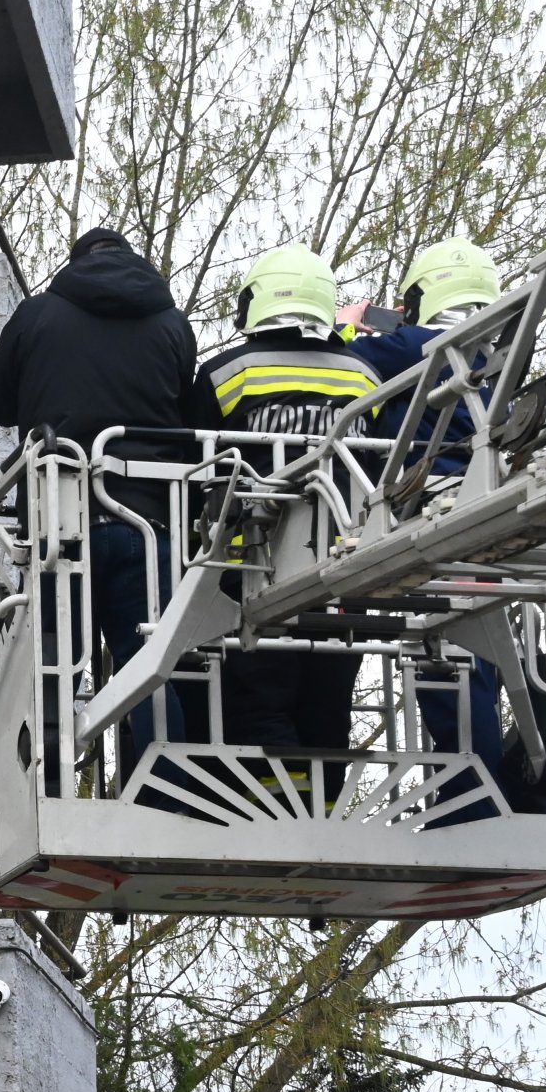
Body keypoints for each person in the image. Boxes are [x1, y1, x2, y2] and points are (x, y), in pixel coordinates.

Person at [0, 227, 200, 780]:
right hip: (149, 523)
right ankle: (168, 796)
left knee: (53, 669)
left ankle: (50, 791)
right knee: (148, 668)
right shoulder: (173, 325)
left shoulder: (39, 314)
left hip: (62, 523)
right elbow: (185, 408)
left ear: (74, 263)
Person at [187, 244, 382, 805]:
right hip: (343, 564)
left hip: (252, 563)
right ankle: (320, 806)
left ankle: (275, 809)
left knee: (256, 695)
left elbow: (194, 471)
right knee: (328, 696)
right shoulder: (362, 376)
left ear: (257, 302)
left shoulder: (228, 374)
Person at [341, 238, 506, 822]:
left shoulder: (411, 344)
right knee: (481, 664)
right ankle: (479, 791)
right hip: (487, 510)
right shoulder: (498, 356)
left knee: (444, 661)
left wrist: (349, 324)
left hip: (436, 513)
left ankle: (469, 804)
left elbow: (343, 366)